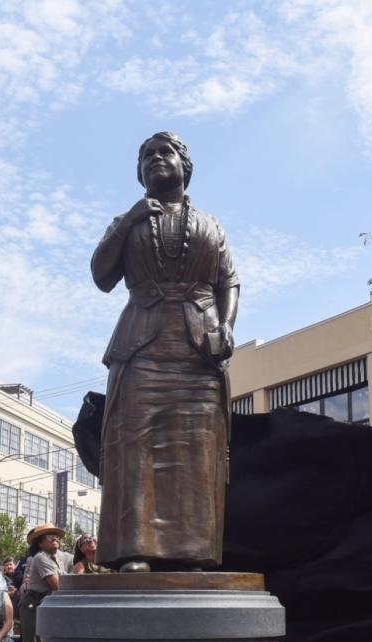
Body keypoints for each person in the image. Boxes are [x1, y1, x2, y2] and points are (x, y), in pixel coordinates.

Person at [91, 131, 239, 571]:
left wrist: (227, 326)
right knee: (136, 446)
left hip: (198, 346)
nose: (157, 159)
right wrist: (131, 219)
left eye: (165, 152)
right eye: (147, 156)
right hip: (142, 344)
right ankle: (135, 551)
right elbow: (101, 275)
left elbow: (228, 281)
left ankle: (194, 551)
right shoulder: (128, 221)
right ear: (139, 172)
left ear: (184, 164)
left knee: (197, 446)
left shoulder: (211, 224)